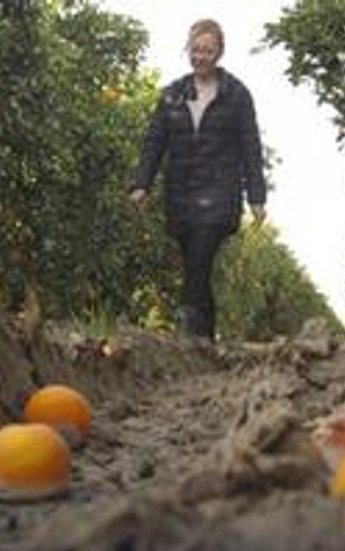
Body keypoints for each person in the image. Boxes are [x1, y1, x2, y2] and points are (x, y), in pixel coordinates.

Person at [130, 18, 268, 341]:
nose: (200, 56)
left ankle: (187, 330)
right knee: (196, 266)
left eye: (207, 50)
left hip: (220, 194)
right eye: (195, 50)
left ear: (219, 53)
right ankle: (205, 341)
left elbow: (250, 147)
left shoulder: (237, 95)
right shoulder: (171, 96)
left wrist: (257, 197)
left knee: (201, 253)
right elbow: (154, 143)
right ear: (188, 50)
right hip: (181, 194)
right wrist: (141, 184)